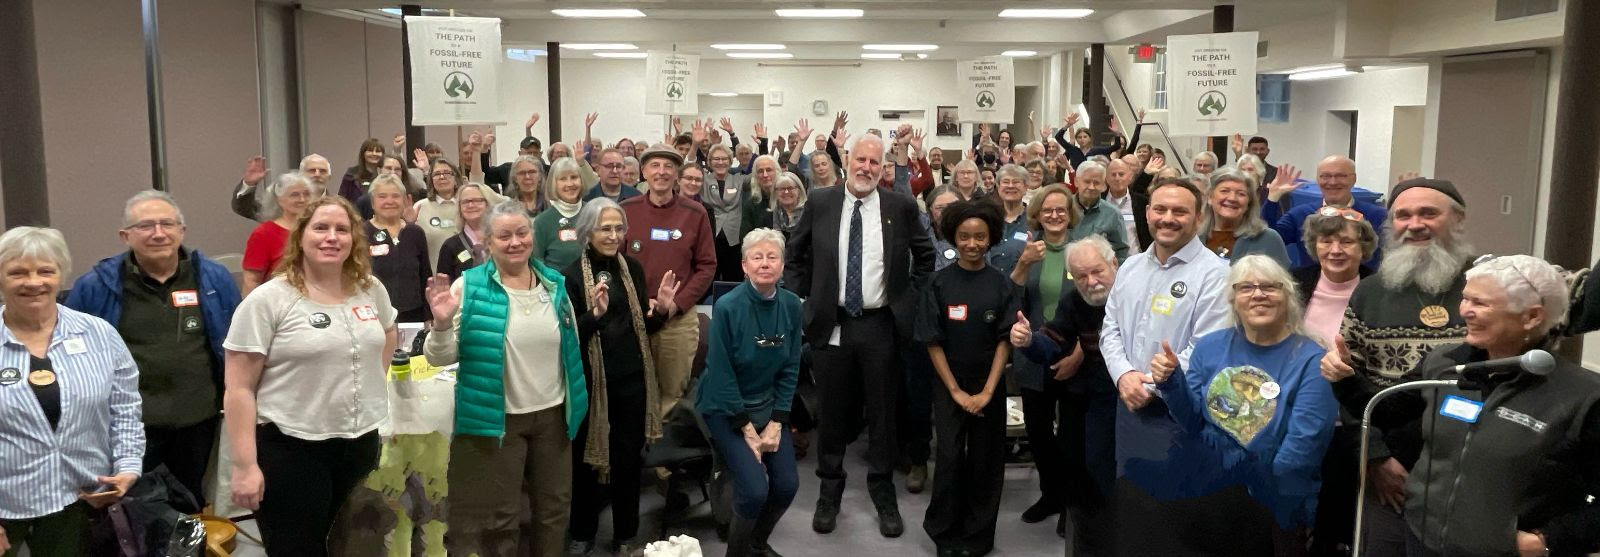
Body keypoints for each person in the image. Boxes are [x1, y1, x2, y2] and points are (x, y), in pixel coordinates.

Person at [1367, 255, 1600, 556]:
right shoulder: (1445, 363)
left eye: (1481, 303)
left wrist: (1549, 540)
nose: (1465, 311)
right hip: (1422, 539)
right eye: (1465, 299)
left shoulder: (1582, 396)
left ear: (1531, 317)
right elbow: (1383, 412)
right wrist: (1343, 378)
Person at [223, 196, 397, 556]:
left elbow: (389, 330)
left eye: (342, 229)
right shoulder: (268, 300)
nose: (331, 237)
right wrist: (244, 466)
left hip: (359, 444)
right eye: (320, 228)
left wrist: (372, 381)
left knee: (353, 544)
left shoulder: (370, 290)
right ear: (300, 236)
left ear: (354, 240)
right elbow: (238, 389)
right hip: (291, 450)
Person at [785, 133, 934, 538]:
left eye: (875, 161)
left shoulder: (900, 205)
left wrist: (908, 300)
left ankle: (882, 489)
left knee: (882, 411)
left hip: (879, 325)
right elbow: (795, 254)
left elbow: (926, 256)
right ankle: (829, 490)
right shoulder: (820, 201)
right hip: (830, 323)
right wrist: (799, 301)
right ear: (847, 159)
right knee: (832, 411)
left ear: (882, 165)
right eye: (860, 159)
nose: (866, 167)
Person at [423, 200, 587, 557]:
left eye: (522, 233)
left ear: (533, 236)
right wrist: (440, 324)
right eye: (504, 236)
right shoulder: (469, 287)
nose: (515, 242)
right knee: (499, 518)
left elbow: (569, 346)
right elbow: (439, 358)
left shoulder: (554, 284)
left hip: (554, 417)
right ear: (488, 242)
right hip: (497, 420)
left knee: (554, 512)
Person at [1320, 178, 1475, 557]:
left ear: (1458, 219)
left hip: (1472, 467)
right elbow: (1348, 382)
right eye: (1402, 215)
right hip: (1392, 469)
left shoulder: (1489, 282)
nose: (1414, 223)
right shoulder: (1371, 291)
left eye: (1428, 213)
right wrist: (1375, 457)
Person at [1147, 255, 1335, 555]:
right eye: (1246, 287)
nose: (1258, 294)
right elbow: (1192, 422)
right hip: (1211, 493)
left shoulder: (1313, 359)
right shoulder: (1210, 346)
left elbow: (1302, 448)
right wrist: (1171, 382)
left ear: (1287, 296)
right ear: (1233, 299)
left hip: (1277, 502)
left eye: (1269, 287)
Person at [65, 191, 240, 507]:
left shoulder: (214, 279)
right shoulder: (94, 287)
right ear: (125, 236)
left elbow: (236, 345)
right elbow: (70, 358)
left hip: (198, 424)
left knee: (190, 510)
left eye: (167, 224)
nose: (158, 233)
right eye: (146, 226)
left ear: (181, 231)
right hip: (127, 431)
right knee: (129, 517)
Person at [1098, 177, 1231, 553]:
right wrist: (1124, 375)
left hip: (1178, 416)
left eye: (1179, 211)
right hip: (1129, 410)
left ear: (1199, 217)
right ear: (1147, 213)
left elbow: (1207, 348)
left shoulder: (1216, 275)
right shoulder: (1130, 268)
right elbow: (1110, 329)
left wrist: (1150, 387)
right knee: (1134, 508)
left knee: (1174, 520)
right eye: (1160, 209)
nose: (1168, 218)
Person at [0, 227, 144, 557]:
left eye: (45, 271)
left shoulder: (99, 334)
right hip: (6, 508)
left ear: (60, 274)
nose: (33, 282)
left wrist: (127, 468)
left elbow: (125, 411)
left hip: (81, 501)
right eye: (18, 272)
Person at [563, 199, 679, 556]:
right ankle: (582, 533)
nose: (613, 236)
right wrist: (595, 315)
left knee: (628, 464)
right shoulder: (568, 276)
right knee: (586, 464)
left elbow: (640, 329)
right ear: (587, 232)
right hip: (591, 386)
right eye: (605, 228)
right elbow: (569, 337)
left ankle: (626, 536)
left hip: (631, 382)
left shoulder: (632, 269)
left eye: (618, 228)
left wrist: (661, 312)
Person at [915, 200, 1017, 557]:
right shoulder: (938, 284)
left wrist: (987, 391)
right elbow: (932, 340)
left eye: (979, 237)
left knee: (986, 461)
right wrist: (956, 391)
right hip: (948, 386)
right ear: (952, 238)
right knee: (949, 458)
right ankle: (945, 531)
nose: (972, 244)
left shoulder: (1002, 285)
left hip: (990, 384)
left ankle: (978, 536)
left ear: (990, 239)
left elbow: (1005, 340)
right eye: (964, 237)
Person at [697, 228, 804, 557]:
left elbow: (790, 367)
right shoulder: (728, 307)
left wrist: (776, 423)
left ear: (782, 265)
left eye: (772, 257)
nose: (765, 263)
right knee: (755, 490)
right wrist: (747, 429)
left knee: (787, 485)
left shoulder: (790, 305)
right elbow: (721, 373)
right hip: (724, 408)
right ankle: (737, 552)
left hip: (767, 406)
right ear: (744, 266)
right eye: (757, 257)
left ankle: (757, 543)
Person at [1011, 234, 1121, 554]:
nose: (1090, 281)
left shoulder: (1135, 292)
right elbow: (1053, 341)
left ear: (1114, 263)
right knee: (1090, 470)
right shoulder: (1074, 301)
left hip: (1139, 401)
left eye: (1097, 271)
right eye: (1080, 275)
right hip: (1096, 398)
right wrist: (1028, 341)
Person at [620, 145, 717, 418]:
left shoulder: (695, 213)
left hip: (678, 320)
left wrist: (676, 304)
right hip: (635, 317)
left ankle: (663, 458)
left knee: (672, 394)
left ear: (677, 174)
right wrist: (640, 302)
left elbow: (707, 265)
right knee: (634, 390)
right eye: (654, 166)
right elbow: (614, 262)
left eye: (668, 167)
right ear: (643, 172)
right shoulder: (625, 211)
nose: (661, 172)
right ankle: (636, 455)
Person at [1005, 184, 1079, 534]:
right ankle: (1050, 494)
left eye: (1061, 210)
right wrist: (1022, 264)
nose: (1054, 216)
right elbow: (1009, 299)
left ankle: (1070, 502)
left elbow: (1098, 308)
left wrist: (1079, 354)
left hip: (1075, 356)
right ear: (1037, 213)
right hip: (1032, 353)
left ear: (1070, 214)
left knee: (1071, 435)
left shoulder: (1082, 252)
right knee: (1038, 432)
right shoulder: (1028, 250)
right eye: (1047, 210)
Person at [1264, 156, 1387, 270]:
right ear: (1317, 180)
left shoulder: (1379, 216)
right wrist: (1273, 197)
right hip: (1311, 288)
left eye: (1340, 176)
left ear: (1353, 179)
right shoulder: (1300, 214)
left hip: (1363, 288)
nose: (1333, 182)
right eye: (1325, 176)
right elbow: (1268, 241)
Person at [1293, 209, 1378, 342]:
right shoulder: (1293, 283)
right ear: (1315, 246)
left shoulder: (1379, 289)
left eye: (1347, 242)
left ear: (1363, 247)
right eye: (1326, 241)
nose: (1336, 250)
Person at [364, 175, 433, 323]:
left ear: (404, 201)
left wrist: (429, 316)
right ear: (372, 203)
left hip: (413, 315)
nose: (389, 201)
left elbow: (425, 276)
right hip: (373, 315)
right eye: (382, 196)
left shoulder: (415, 232)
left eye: (396, 196)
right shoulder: (361, 233)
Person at [242, 172, 320, 295]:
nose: (302, 199)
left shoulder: (321, 229)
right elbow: (252, 280)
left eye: (306, 194)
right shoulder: (264, 233)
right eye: (294, 195)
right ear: (279, 200)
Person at [1199, 169, 1290, 266]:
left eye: (1241, 194)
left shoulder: (1268, 239)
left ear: (1249, 203)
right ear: (1209, 197)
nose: (1232, 198)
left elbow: (1283, 279)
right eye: (1224, 191)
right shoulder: (1193, 237)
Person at [703, 145, 754, 282]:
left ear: (731, 161)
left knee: (733, 279)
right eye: (716, 159)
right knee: (708, 280)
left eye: (724, 159)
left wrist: (763, 144)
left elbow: (759, 173)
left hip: (734, 239)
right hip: (710, 238)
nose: (721, 162)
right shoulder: (702, 179)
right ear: (710, 161)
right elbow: (684, 171)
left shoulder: (738, 179)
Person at [232, 154, 332, 221]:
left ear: (329, 177)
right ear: (300, 174)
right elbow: (244, 209)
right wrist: (249, 184)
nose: (317, 175)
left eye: (322, 171)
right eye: (312, 170)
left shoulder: (337, 206)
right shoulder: (281, 205)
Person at [534, 158, 589, 272]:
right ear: (554, 184)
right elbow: (537, 263)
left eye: (574, 177)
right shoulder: (542, 222)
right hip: (557, 287)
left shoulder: (594, 213)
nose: (569, 184)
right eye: (563, 179)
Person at [1068, 161, 1131, 260]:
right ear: (1076, 181)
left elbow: (1121, 251)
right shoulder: (1063, 207)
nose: (1091, 187)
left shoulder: (1113, 214)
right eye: (1087, 181)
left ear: (1104, 186)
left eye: (1096, 183)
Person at [435, 183, 492, 284]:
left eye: (477, 200)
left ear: (487, 204)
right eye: (465, 202)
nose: (470, 205)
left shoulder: (500, 239)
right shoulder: (450, 246)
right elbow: (444, 286)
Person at [416, 158, 465, 272]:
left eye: (447, 173)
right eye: (437, 174)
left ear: (456, 178)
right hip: (433, 276)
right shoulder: (420, 206)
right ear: (431, 180)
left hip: (467, 276)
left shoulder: (467, 205)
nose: (442, 177)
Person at [985, 164, 1030, 275]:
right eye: (1005, 182)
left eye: (1016, 182)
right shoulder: (988, 218)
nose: (1010, 186)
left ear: (1026, 187)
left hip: (1023, 287)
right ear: (998, 186)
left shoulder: (1035, 220)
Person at [338, 138, 386, 205]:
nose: (374, 154)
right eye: (370, 151)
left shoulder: (386, 175)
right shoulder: (351, 174)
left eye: (378, 151)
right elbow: (342, 199)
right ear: (363, 153)